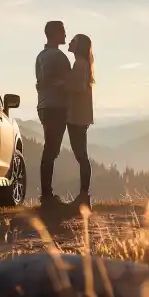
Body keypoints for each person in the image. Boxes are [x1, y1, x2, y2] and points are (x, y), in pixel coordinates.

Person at [35, 20, 71, 209]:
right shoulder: (57, 57)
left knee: (51, 149)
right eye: (63, 32)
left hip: (44, 106)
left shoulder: (41, 56)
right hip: (55, 106)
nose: (65, 35)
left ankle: (46, 194)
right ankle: (47, 196)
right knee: (51, 150)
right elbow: (65, 82)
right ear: (56, 33)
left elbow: (41, 82)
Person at [66, 34, 95, 210]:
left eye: (74, 41)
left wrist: (59, 83)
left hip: (77, 116)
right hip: (80, 116)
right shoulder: (83, 63)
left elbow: (77, 87)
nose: (70, 42)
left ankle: (84, 196)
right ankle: (84, 195)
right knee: (81, 155)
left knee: (81, 155)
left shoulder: (80, 64)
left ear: (80, 46)